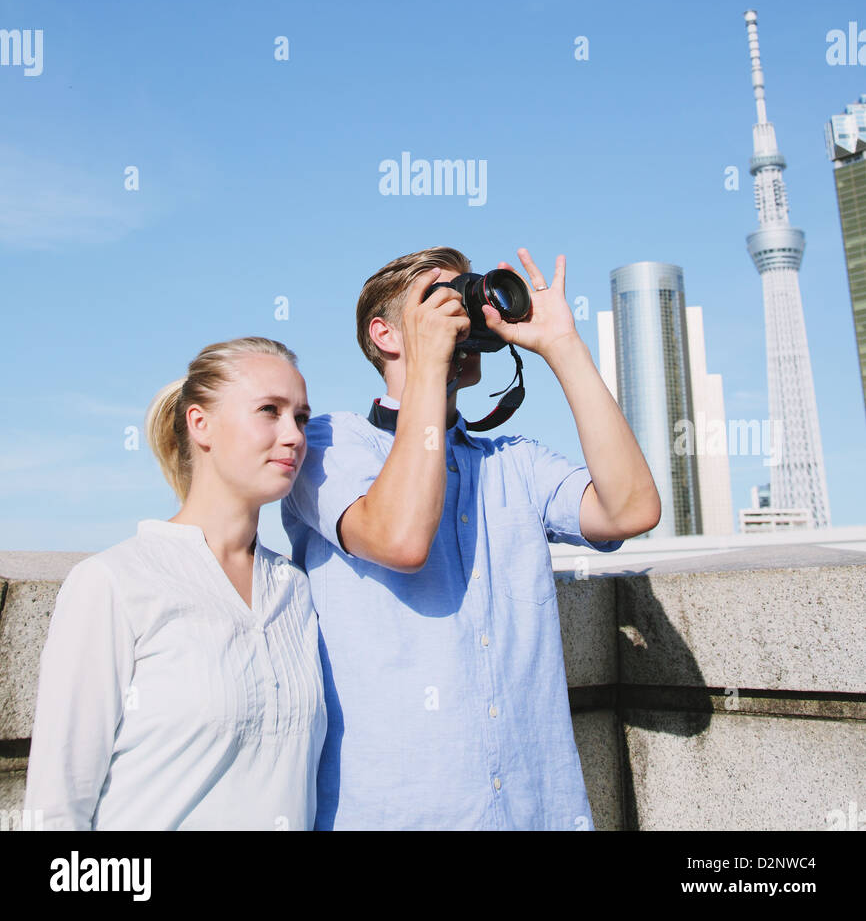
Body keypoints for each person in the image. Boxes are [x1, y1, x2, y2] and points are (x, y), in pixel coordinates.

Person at [282, 246, 661, 831]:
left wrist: (563, 346)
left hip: (539, 812)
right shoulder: (326, 446)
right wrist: (430, 370)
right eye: (439, 298)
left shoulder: (515, 461)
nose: (462, 315)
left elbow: (632, 509)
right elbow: (400, 538)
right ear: (384, 334)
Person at [24, 337, 326, 831]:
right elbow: (54, 810)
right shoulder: (114, 583)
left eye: (301, 417)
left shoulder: (297, 589)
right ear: (200, 424)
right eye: (269, 411)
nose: (293, 435)